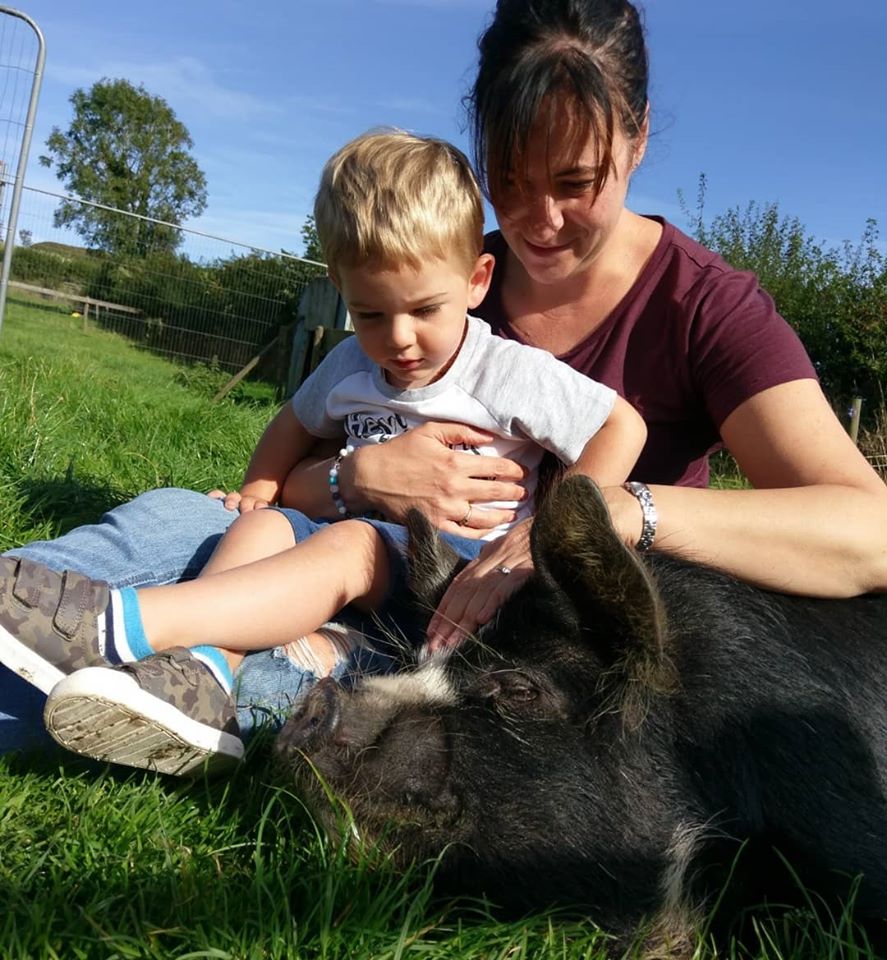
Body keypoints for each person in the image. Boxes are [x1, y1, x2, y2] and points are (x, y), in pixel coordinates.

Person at [3, 0, 885, 755]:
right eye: (509, 179)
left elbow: (868, 531)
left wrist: (615, 511)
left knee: (345, 636)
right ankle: (94, 632)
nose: (538, 221)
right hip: (350, 548)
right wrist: (355, 476)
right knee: (177, 520)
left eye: (576, 181)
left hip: (506, 628)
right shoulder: (434, 278)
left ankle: (203, 679)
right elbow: (303, 456)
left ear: (638, 135)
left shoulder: (706, 308)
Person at [0, 129, 646, 774]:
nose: (398, 338)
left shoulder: (504, 370)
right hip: (343, 544)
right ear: (339, 286)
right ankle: (204, 675)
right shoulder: (345, 363)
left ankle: (116, 624)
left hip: (457, 576)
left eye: (424, 308)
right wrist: (260, 486)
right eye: (369, 314)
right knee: (261, 527)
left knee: (353, 546)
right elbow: (292, 422)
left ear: (477, 279)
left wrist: (539, 538)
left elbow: (620, 427)